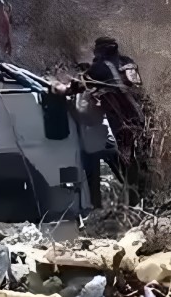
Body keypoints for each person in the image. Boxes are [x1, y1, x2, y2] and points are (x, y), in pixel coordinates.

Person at [53, 37, 147, 205]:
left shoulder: (99, 68)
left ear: (100, 51)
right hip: (143, 116)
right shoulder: (128, 63)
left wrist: (58, 88)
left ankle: (135, 201)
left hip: (123, 122)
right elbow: (120, 84)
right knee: (137, 158)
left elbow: (74, 88)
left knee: (126, 160)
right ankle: (143, 196)